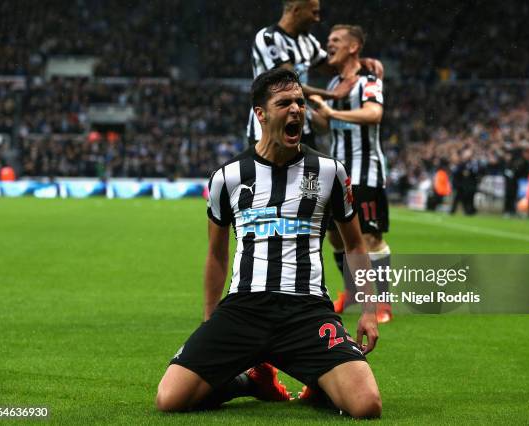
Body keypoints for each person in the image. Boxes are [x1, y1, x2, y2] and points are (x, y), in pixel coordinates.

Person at [157, 68, 382, 418]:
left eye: (300, 102)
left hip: (307, 312)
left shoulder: (329, 171)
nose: (296, 110)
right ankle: (249, 382)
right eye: (284, 103)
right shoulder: (228, 177)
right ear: (260, 114)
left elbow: (354, 246)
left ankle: (320, 379)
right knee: (169, 399)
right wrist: (209, 320)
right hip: (243, 310)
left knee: (366, 406)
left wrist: (368, 309)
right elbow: (216, 255)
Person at [308, 25, 391, 323]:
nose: (328, 45)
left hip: (366, 170)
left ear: (353, 46)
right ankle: (353, 291)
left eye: (335, 41)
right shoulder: (332, 83)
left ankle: (382, 302)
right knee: (336, 238)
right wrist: (316, 112)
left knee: (369, 236)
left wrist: (333, 113)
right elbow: (324, 126)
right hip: (338, 172)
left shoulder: (368, 80)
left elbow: (374, 114)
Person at [247, 0, 383, 147]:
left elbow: (332, 66)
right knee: (271, 170)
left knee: (308, 168)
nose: (317, 19)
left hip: (300, 127)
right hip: (268, 127)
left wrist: (360, 62)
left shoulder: (307, 41)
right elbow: (288, 84)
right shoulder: (268, 38)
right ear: (297, 10)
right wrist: (332, 95)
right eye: (314, 12)